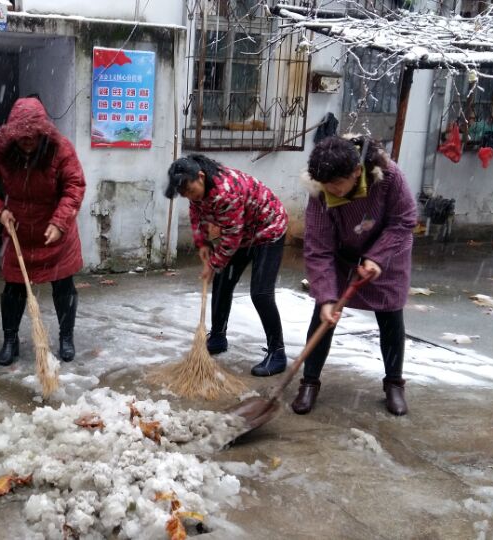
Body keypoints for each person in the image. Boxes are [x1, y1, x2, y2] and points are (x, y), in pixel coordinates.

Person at [296, 135, 417, 416]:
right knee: (322, 316)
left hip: (386, 251)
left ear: (357, 172)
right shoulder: (320, 190)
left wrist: (377, 257)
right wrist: (326, 296)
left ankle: (394, 384)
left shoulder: (388, 176)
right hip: (341, 254)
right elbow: (318, 246)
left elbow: (404, 220)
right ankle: (309, 382)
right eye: (327, 187)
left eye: (338, 185)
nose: (333, 192)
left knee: (390, 315)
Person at [0, 97, 86, 365]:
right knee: (14, 288)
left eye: (33, 136)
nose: (28, 142)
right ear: (12, 135)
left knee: (63, 284)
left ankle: (66, 337)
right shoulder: (1, 149)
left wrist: (59, 221)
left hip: (55, 228)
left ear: (43, 132)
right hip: (18, 229)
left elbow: (74, 185)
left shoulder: (60, 148)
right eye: (22, 137)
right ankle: (10, 340)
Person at [165, 154, 289, 377]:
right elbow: (196, 212)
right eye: (185, 195)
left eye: (191, 191)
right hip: (244, 230)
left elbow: (231, 238)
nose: (190, 196)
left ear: (200, 177)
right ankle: (218, 336)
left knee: (261, 293)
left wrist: (212, 264)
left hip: (269, 229)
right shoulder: (197, 189)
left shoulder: (225, 193)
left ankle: (277, 352)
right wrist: (201, 242)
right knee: (223, 281)